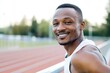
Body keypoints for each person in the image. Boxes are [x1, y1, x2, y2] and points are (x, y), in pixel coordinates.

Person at [52, 3, 110, 73]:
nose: (60, 28)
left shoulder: (81, 57)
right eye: (55, 24)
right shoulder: (83, 49)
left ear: (82, 25)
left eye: (67, 22)